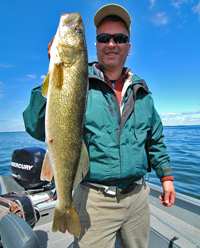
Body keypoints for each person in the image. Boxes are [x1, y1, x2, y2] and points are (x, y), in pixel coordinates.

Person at [23, 4, 176, 248]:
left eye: (120, 38)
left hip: (138, 198)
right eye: (104, 38)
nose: (111, 43)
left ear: (128, 47)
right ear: (95, 45)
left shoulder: (143, 93)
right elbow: (34, 126)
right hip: (94, 200)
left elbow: (155, 139)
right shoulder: (78, 80)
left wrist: (166, 177)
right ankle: (65, 209)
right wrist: (52, 68)